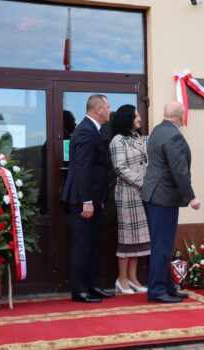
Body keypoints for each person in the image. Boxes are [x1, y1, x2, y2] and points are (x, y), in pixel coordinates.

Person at [141, 101, 201, 303]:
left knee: (161, 243)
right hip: (163, 197)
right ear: (181, 116)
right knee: (162, 244)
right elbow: (179, 171)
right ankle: (157, 290)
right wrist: (191, 196)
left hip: (153, 196)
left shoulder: (157, 130)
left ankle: (166, 285)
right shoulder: (173, 135)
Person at [61, 94, 115, 303]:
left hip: (94, 199)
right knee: (82, 246)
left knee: (94, 244)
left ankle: (93, 285)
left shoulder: (93, 129)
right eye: (108, 107)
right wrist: (87, 201)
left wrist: (98, 198)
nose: (110, 110)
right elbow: (83, 170)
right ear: (98, 109)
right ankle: (79, 290)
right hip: (82, 201)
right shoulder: (85, 130)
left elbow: (94, 170)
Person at [109, 104, 150, 295]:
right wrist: (142, 182)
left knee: (138, 238)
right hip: (127, 195)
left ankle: (133, 278)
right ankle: (121, 279)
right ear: (127, 119)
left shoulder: (139, 137)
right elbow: (120, 168)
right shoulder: (118, 140)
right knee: (127, 238)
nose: (140, 119)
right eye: (136, 116)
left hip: (142, 194)